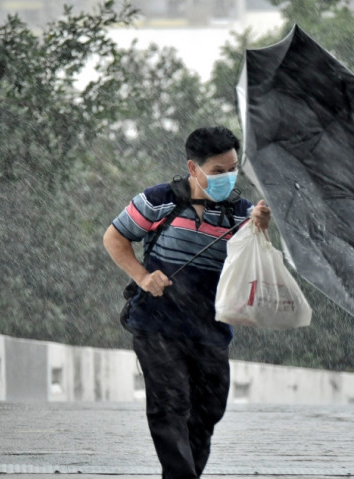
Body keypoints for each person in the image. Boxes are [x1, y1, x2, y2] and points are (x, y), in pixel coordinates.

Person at [103, 126, 270, 479]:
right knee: (171, 403)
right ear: (193, 168)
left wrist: (259, 229)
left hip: (210, 329)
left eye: (233, 168)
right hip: (157, 324)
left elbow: (253, 265)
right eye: (218, 171)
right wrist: (143, 277)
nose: (228, 177)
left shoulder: (242, 214)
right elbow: (115, 237)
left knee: (208, 409)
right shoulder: (159, 200)